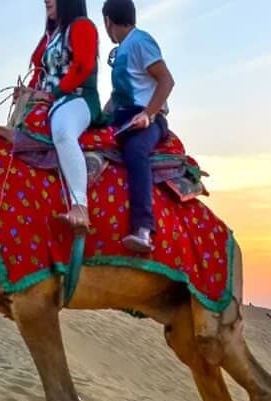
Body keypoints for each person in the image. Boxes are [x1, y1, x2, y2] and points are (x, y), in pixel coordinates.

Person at [101, 0, 175, 252]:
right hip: (122, 118)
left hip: (147, 118)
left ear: (108, 21)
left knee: (135, 151)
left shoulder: (141, 41)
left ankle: (143, 228)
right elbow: (119, 95)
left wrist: (148, 114)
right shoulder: (122, 50)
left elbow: (166, 80)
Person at [27, 0, 105, 232]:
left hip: (78, 98)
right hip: (49, 103)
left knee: (62, 131)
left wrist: (53, 94)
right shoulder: (50, 37)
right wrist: (28, 93)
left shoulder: (81, 26)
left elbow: (83, 66)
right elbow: (40, 73)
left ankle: (80, 206)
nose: (46, 1)